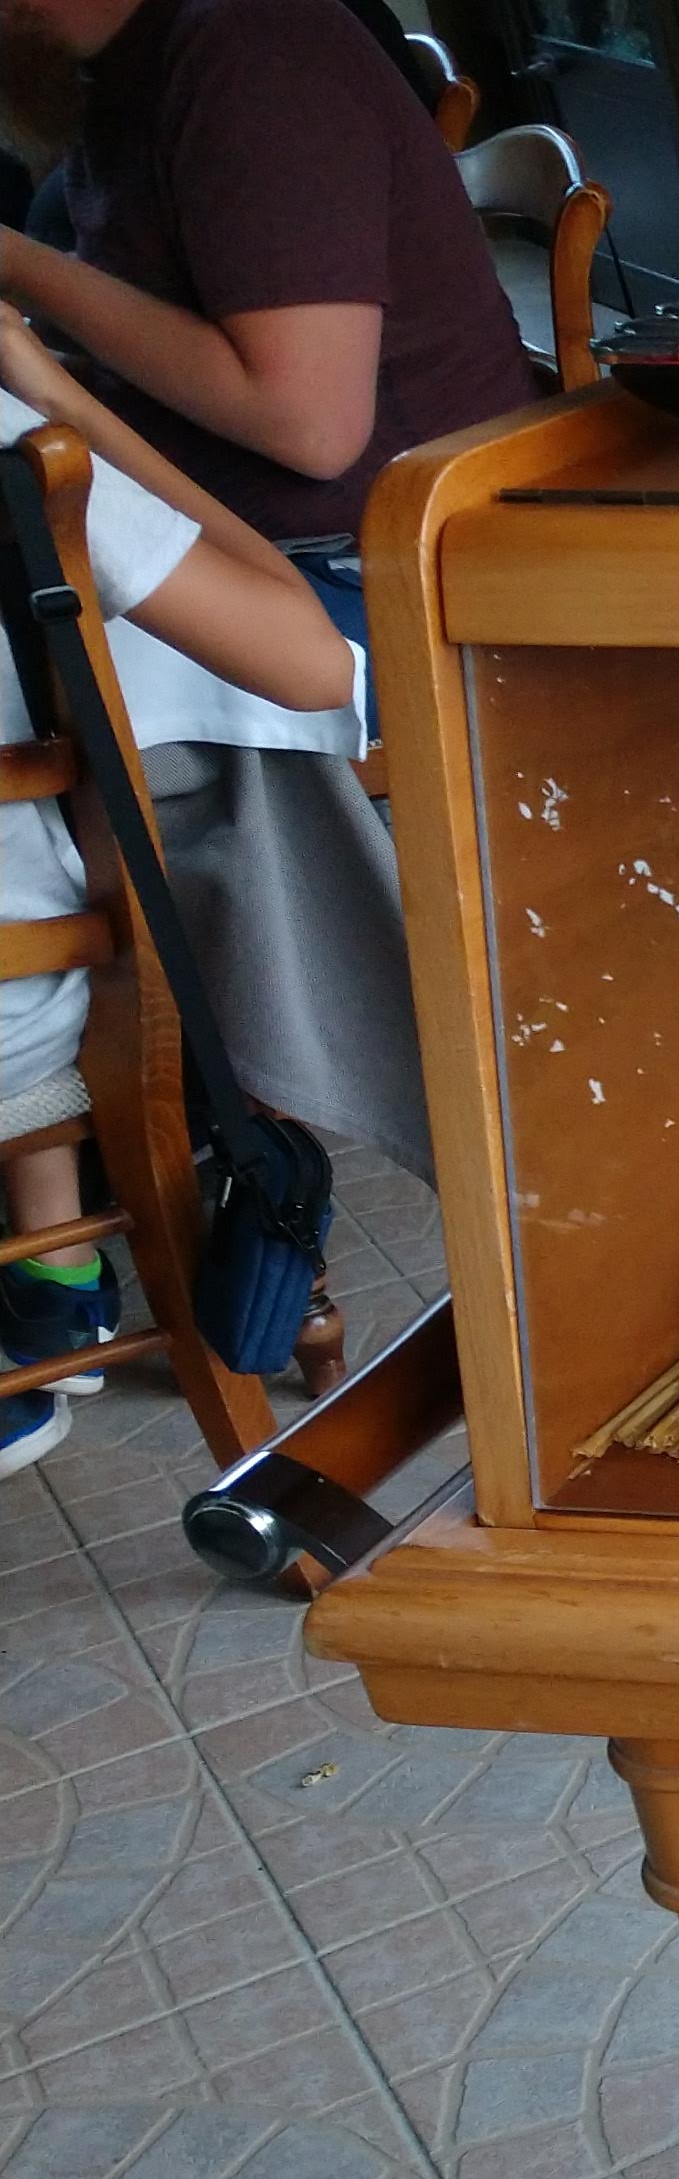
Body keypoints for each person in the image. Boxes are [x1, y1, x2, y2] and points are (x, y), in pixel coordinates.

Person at [0, 299, 350, 1478]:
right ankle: (56, 1259)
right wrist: (54, 395)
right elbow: (307, 661)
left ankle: (53, 1263)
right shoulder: (13, 441)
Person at [0, 0, 527, 667]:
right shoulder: (121, 57)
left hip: (382, 586)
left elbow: (309, 426)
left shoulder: (250, 51)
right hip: (269, 559)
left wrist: (18, 267)